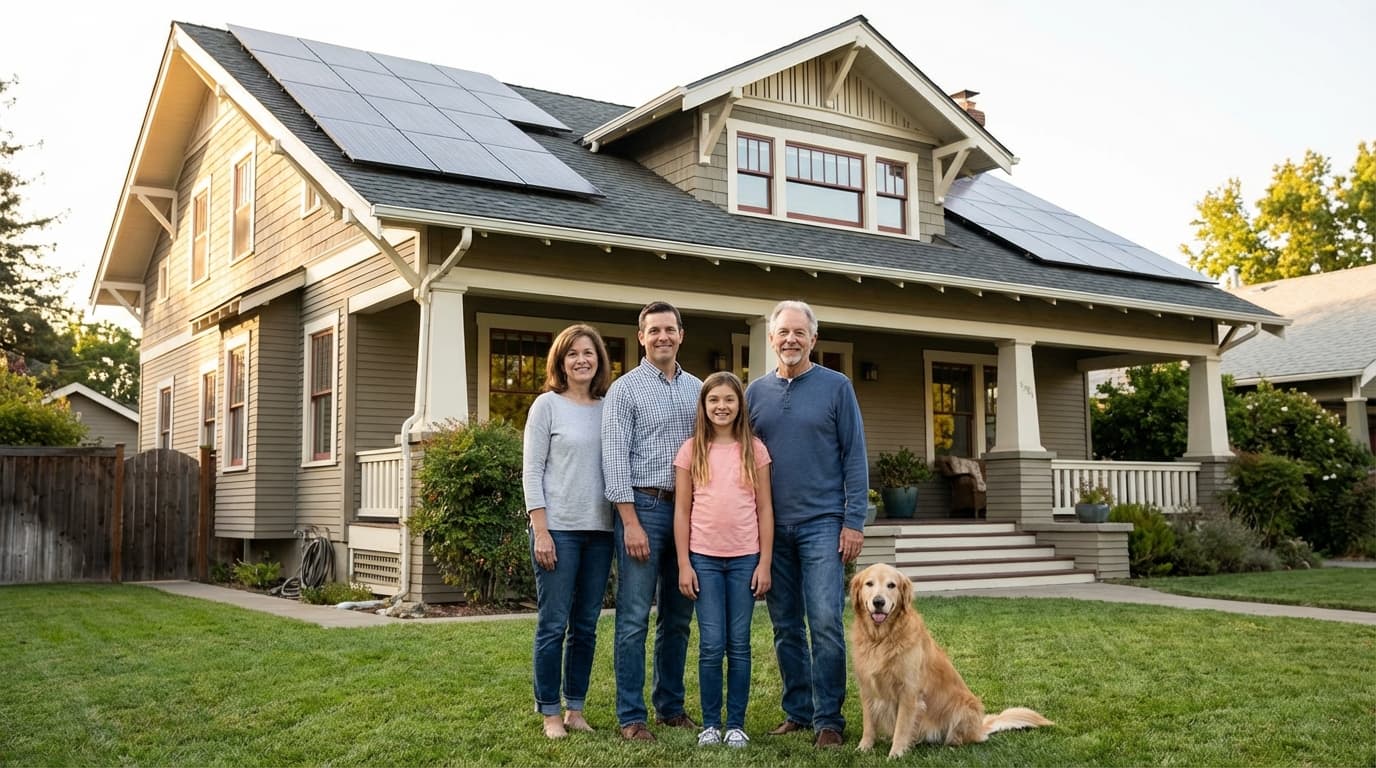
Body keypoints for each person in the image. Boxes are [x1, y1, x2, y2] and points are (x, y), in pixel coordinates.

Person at [745, 299, 869, 749]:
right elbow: (742, 460)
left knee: (823, 621)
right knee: (784, 625)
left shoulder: (836, 387)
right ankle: (797, 711)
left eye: (800, 332)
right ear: (772, 338)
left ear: (813, 339)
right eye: (784, 332)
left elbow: (854, 456)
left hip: (823, 524)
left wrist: (853, 521)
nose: (791, 340)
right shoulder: (754, 393)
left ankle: (829, 720)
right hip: (771, 529)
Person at [601, 301, 703, 742]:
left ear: (681, 334)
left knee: (678, 618)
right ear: (641, 337)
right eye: (653, 330)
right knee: (633, 619)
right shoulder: (624, 390)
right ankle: (631, 716)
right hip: (642, 508)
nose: (662, 336)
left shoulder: (699, 389)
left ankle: (671, 707)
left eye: (670, 329)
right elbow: (614, 459)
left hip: (690, 512)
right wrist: (630, 521)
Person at [522, 324, 615, 739]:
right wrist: (540, 529)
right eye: (573, 353)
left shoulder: (609, 406)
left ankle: (575, 707)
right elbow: (532, 471)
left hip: (601, 531)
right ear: (561, 361)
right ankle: (550, 713)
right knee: (553, 624)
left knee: (587, 625)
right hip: (558, 529)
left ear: (599, 360)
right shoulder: (547, 406)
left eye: (589, 353)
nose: (582, 359)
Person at [673, 372, 774, 749]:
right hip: (704, 559)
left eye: (729, 400)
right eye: (713, 399)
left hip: (746, 558)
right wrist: (684, 563)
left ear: (740, 405)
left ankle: (736, 724)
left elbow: (765, 509)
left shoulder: (755, 450)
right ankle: (711, 724)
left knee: (740, 644)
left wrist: (764, 562)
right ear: (703, 405)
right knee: (712, 644)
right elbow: (682, 511)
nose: (721, 406)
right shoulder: (691, 450)